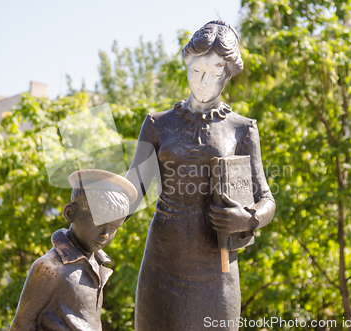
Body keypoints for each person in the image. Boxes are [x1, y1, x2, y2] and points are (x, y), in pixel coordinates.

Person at [125, 21, 276, 331]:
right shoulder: (157, 124)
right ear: (187, 65)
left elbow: (266, 200)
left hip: (216, 268)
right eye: (197, 71)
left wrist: (248, 219)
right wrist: (91, 210)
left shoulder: (242, 129)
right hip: (162, 264)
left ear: (229, 74)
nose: (204, 81)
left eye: (215, 72)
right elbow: (132, 191)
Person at [10, 169, 137, 331]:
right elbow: (20, 326)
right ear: (70, 213)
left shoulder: (97, 266)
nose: (105, 235)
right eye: (99, 223)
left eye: (113, 229)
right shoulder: (49, 268)